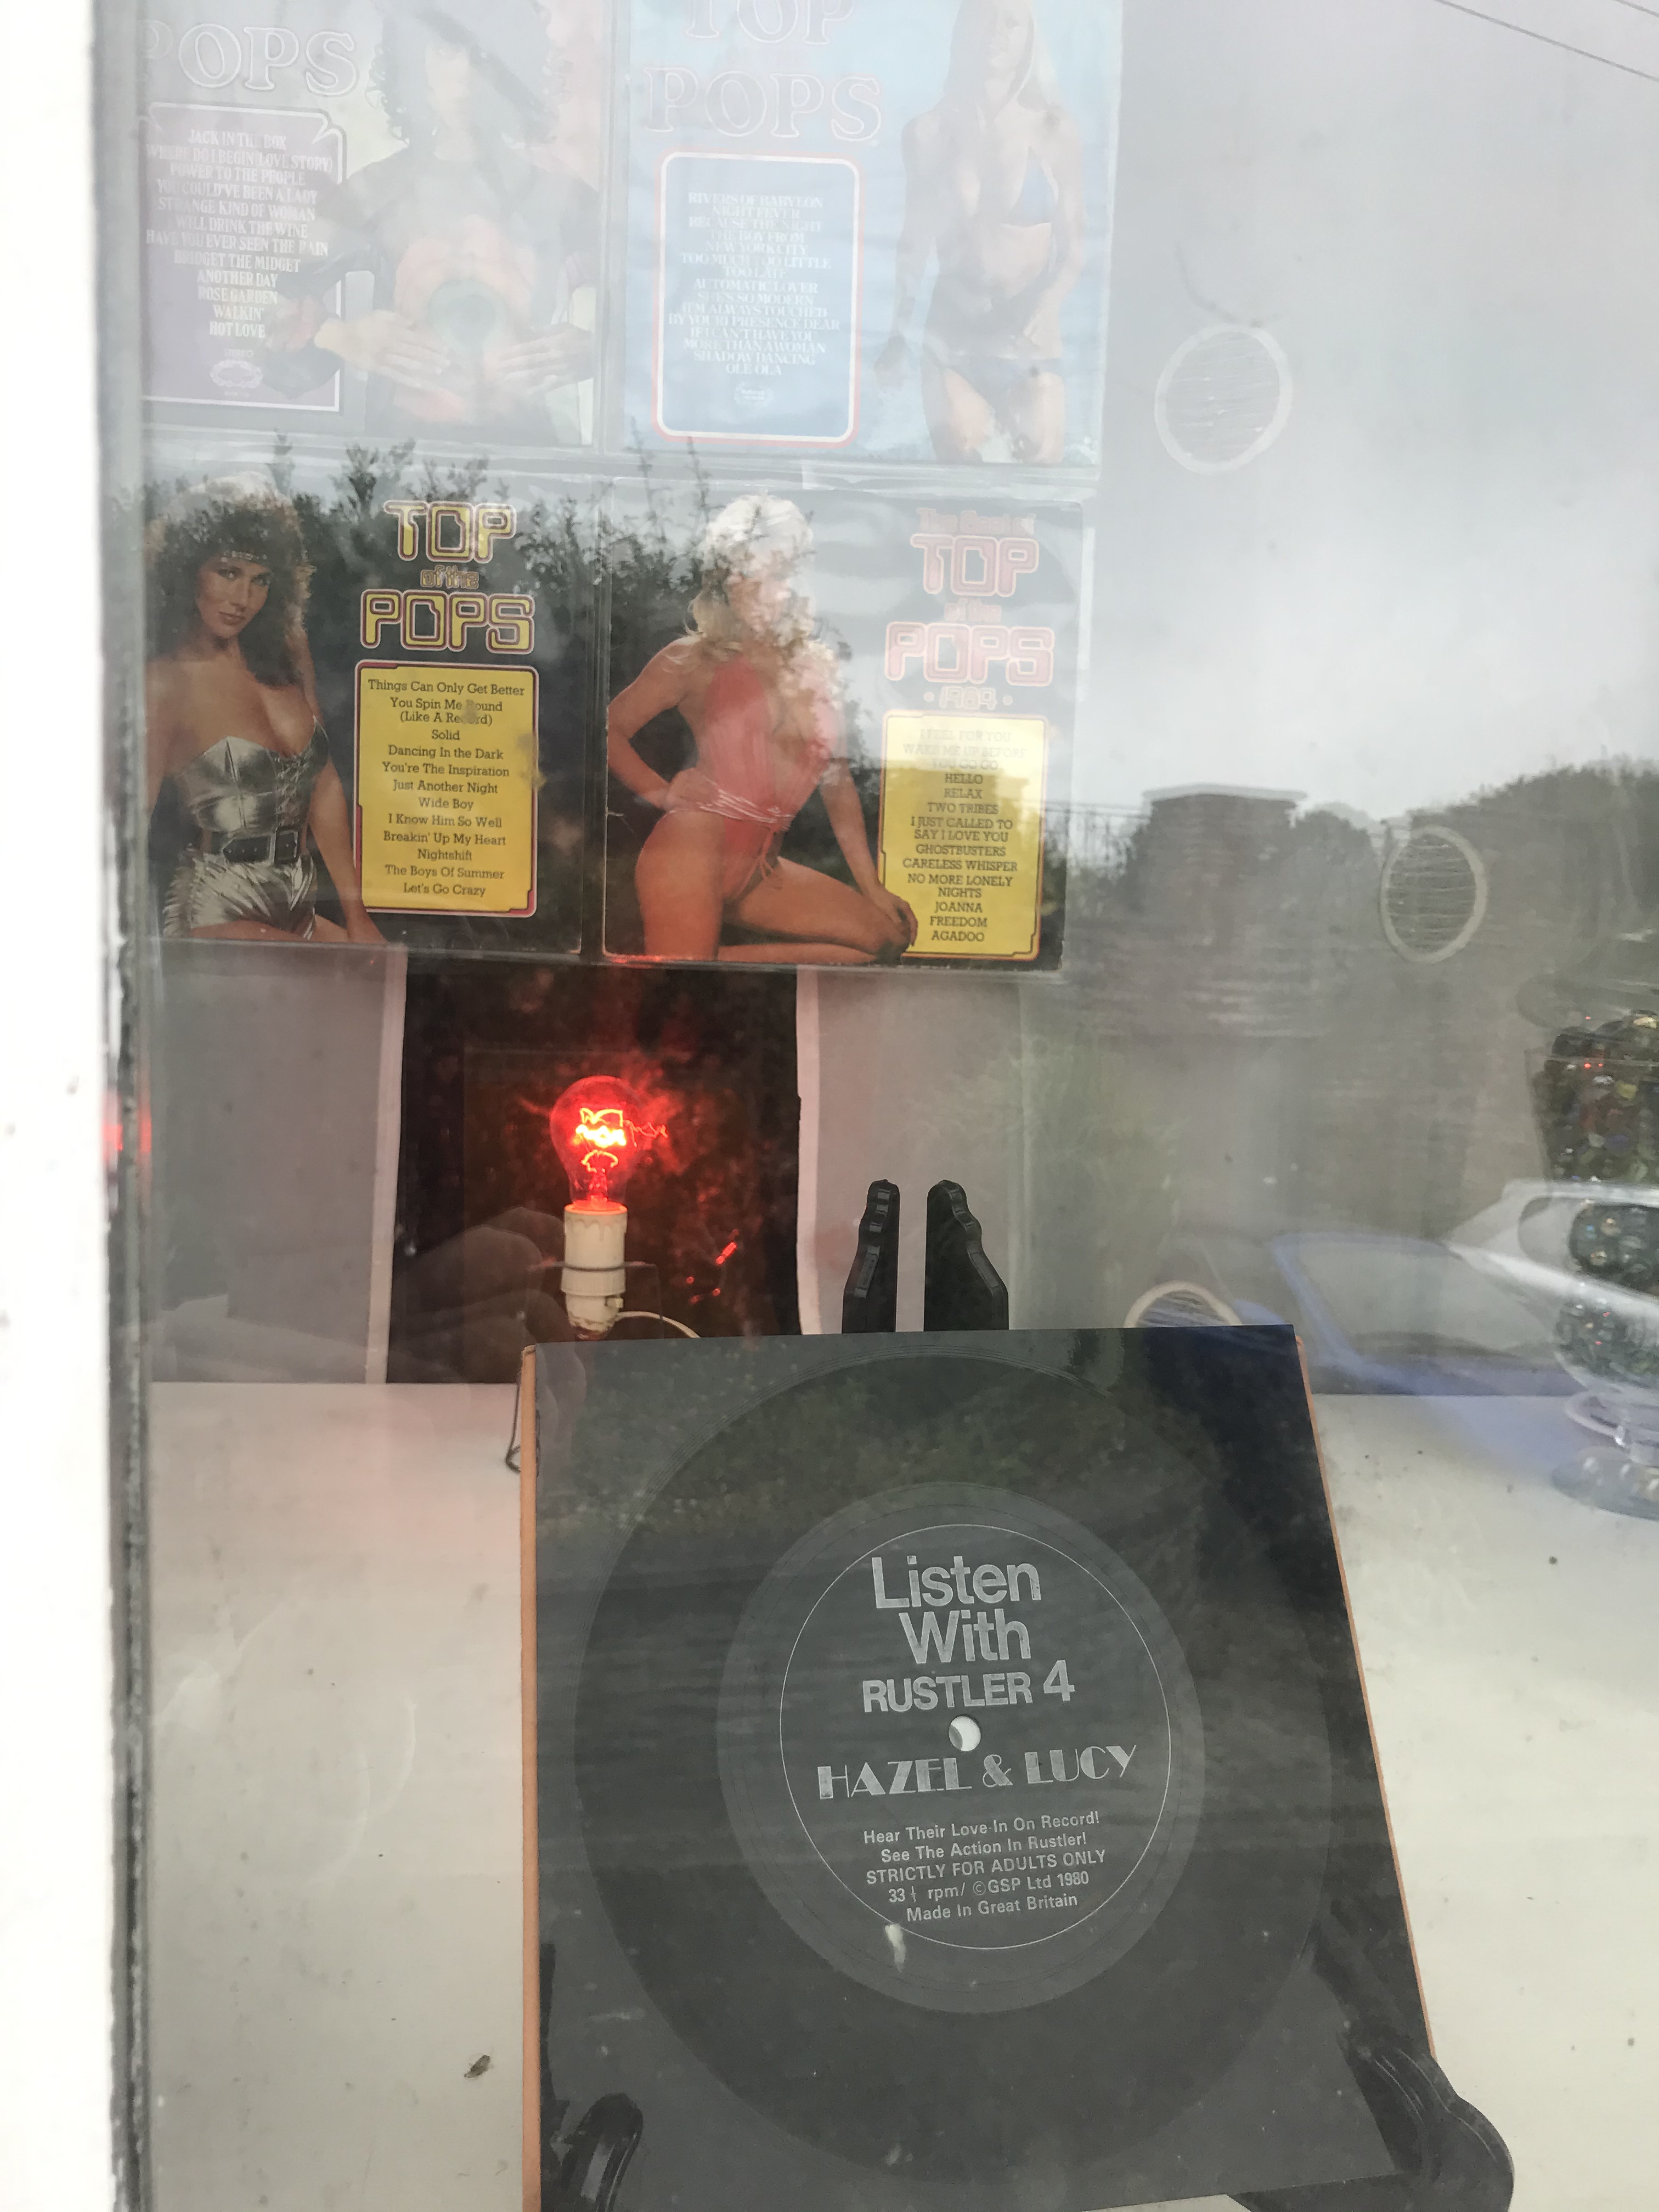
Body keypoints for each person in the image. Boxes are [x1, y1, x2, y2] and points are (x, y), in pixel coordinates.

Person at [262, 1, 598, 442]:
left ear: (512, 64)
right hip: (398, 455)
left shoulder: (560, 197)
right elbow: (267, 318)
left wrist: (594, 350)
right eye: (445, 50)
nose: (465, 74)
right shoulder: (375, 191)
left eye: (484, 53)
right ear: (415, 59)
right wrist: (341, 337)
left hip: (526, 453)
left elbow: (653, 316)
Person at [606, 496, 917, 965]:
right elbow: (608, 730)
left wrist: (871, 886)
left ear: (796, 582)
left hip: (762, 867)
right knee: (686, 988)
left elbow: (837, 783)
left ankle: (705, 957)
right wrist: (660, 792)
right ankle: (690, 959)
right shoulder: (692, 659)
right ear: (723, 584)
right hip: (694, 845)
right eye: (742, 574)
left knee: (884, 941)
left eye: (776, 574)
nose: (757, 589)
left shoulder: (817, 669)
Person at [145, 478, 385, 946]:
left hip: (298, 900)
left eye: (261, 580)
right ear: (188, 570)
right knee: (318, 978)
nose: (243, 599)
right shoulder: (165, 682)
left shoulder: (286, 653)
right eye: (228, 572)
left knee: (379, 972)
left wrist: (358, 915)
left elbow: (323, 784)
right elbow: (128, 822)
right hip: (216, 907)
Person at [876, 0, 1086, 465]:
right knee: (962, 465)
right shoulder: (928, 133)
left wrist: (1047, 304)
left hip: (1029, 343)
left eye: (1011, 23)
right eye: (985, 19)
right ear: (963, 29)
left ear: (1029, 38)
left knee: (1039, 468)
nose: (997, 33)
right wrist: (896, 336)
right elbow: (912, 246)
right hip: (955, 340)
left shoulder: (1053, 131)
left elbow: (1074, 250)